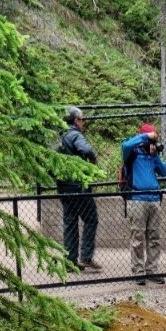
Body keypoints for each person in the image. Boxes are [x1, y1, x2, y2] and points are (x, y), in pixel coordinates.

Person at [121, 124, 166, 283]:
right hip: (137, 199)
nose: (151, 141)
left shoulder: (151, 154)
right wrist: (146, 137)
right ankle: (138, 272)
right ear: (141, 136)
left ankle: (152, 270)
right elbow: (125, 145)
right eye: (149, 137)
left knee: (154, 237)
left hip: (154, 199)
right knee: (138, 237)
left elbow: (164, 172)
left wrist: (155, 155)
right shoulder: (132, 152)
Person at [55, 107, 101, 271]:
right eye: (82, 119)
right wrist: (93, 162)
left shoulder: (60, 136)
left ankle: (70, 261)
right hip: (78, 187)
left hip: (63, 188)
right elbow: (87, 150)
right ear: (75, 120)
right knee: (91, 219)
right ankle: (86, 257)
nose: (84, 122)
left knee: (70, 223)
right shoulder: (75, 135)